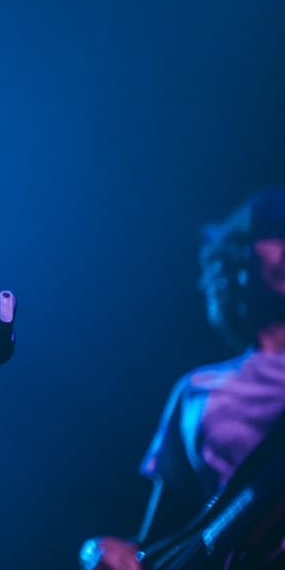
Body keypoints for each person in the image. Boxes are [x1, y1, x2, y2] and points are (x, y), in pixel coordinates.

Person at [86, 188, 285, 570]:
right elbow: (163, 540)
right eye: (279, 232)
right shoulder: (198, 391)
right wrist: (100, 552)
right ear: (238, 257)